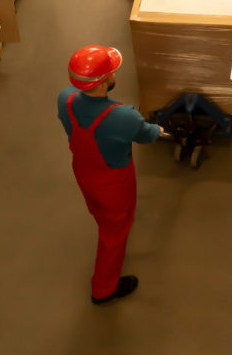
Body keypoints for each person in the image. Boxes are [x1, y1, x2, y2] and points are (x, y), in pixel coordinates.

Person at [57, 45, 165, 304]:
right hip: (113, 184)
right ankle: (103, 289)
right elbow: (146, 134)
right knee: (114, 233)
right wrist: (158, 130)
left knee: (100, 213)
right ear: (104, 83)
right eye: (112, 72)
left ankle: (103, 219)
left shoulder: (65, 98)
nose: (115, 73)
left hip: (84, 172)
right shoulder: (123, 117)